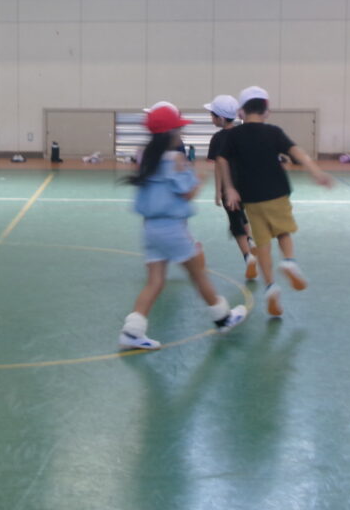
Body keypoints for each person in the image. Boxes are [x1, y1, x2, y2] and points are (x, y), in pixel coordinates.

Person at [119, 103, 247, 350]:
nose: (181, 133)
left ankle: (131, 331)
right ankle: (223, 318)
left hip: (150, 230)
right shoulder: (176, 159)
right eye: (178, 129)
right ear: (171, 133)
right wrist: (199, 179)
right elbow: (187, 194)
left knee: (155, 281)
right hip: (173, 230)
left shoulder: (144, 157)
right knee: (198, 274)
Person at [216, 86, 333, 317]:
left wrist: (229, 188)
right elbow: (297, 152)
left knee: (262, 244)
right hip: (277, 193)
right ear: (266, 111)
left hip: (251, 198)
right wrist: (316, 172)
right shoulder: (274, 132)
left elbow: (221, 159)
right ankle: (288, 261)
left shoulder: (233, 135)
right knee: (283, 232)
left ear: (241, 112)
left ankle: (270, 286)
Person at [203, 94, 258, 281]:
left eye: (212, 115)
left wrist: (218, 190)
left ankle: (248, 256)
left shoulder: (218, 139)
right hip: (247, 185)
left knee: (235, 223)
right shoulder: (243, 133)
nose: (211, 118)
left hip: (229, 188)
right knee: (241, 215)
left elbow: (219, 165)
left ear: (220, 118)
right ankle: (250, 241)